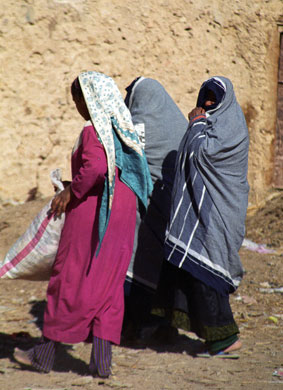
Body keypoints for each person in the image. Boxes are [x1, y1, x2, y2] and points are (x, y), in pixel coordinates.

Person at [13, 71, 153, 377]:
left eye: (78, 99)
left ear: (87, 100)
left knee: (69, 280)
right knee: (108, 286)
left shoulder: (94, 131)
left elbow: (97, 168)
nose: (77, 105)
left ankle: (45, 355)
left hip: (93, 216)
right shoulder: (122, 131)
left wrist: (70, 191)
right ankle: (102, 362)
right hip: (122, 217)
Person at [164, 76, 249, 356]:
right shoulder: (203, 126)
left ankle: (226, 338)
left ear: (224, 102)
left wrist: (197, 124)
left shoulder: (230, 127)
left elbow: (203, 155)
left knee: (207, 270)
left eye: (214, 99)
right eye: (205, 98)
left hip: (220, 211)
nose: (208, 104)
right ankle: (205, 334)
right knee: (191, 268)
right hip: (200, 209)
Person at [123, 77, 188, 339]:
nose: (127, 99)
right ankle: (165, 326)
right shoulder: (180, 123)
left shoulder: (138, 125)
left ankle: (133, 326)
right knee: (166, 268)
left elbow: (132, 162)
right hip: (176, 209)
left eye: (130, 94)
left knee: (138, 263)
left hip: (147, 208)